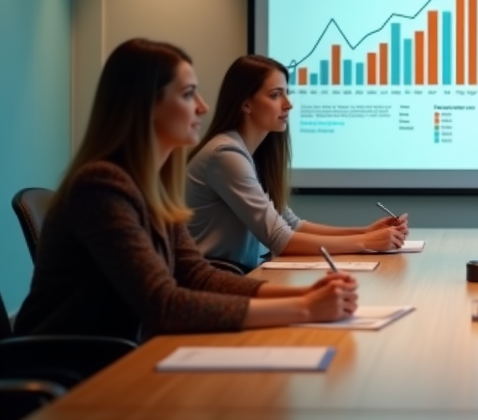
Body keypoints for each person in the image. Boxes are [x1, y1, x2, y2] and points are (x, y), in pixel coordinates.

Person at [14, 39, 358, 340]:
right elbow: (163, 305)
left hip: (120, 353)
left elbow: (197, 275)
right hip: (72, 368)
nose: (203, 107)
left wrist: (301, 297)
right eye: (188, 94)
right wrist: (304, 309)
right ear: (146, 106)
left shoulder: (150, 183)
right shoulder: (100, 187)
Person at [186, 55, 408, 270]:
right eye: (275, 95)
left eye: (287, 94)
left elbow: (292, 225)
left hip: (236, 274)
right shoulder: (226, 155)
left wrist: (365, 232)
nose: (288, 104)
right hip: (214, 281)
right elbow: (282, 240)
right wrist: (368, 242)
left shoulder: (248, 153)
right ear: (246, 104)